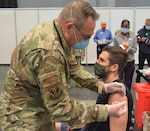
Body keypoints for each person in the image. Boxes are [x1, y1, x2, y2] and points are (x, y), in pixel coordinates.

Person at [0, 1, 127, 131]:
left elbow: (74, 68)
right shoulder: (49, 53)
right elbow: (61, 108)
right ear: (70, 27)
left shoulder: (55, 34)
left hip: (38, 110)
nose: (86, 41)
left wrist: (102, 86)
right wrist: (106, 111)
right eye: (86, 36)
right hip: (21, 120)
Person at [57, 46, 135, 131]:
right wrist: (84, 123)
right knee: (50, 125)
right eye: (98, 59)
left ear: (114, 67)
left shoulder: (117, 94)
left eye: (102, 60)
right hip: (88, 126)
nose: (97, 62)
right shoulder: (107, 87)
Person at [114, 19, 137, 90]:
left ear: (129, 27)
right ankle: (118, 95)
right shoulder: (116, 37)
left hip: (130, 61)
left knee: (128, 81)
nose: (125, 28)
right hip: (120, 62)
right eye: (123, 26)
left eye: (126, 26)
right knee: (119, 80)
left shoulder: (133, 37)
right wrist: (121, 49)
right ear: (121, 27)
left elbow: (135, 50)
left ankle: (127, 95)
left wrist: (129, 49)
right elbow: (115, 50)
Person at [136, 18, 150, 82]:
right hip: (142, 51)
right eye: (146, 24)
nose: (147, 26)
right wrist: (139, 40)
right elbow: (137, 39)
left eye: (148, 25)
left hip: (149, 52)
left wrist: (147, 41)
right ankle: (137, 81)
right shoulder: (140, 31)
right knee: (140, 67)